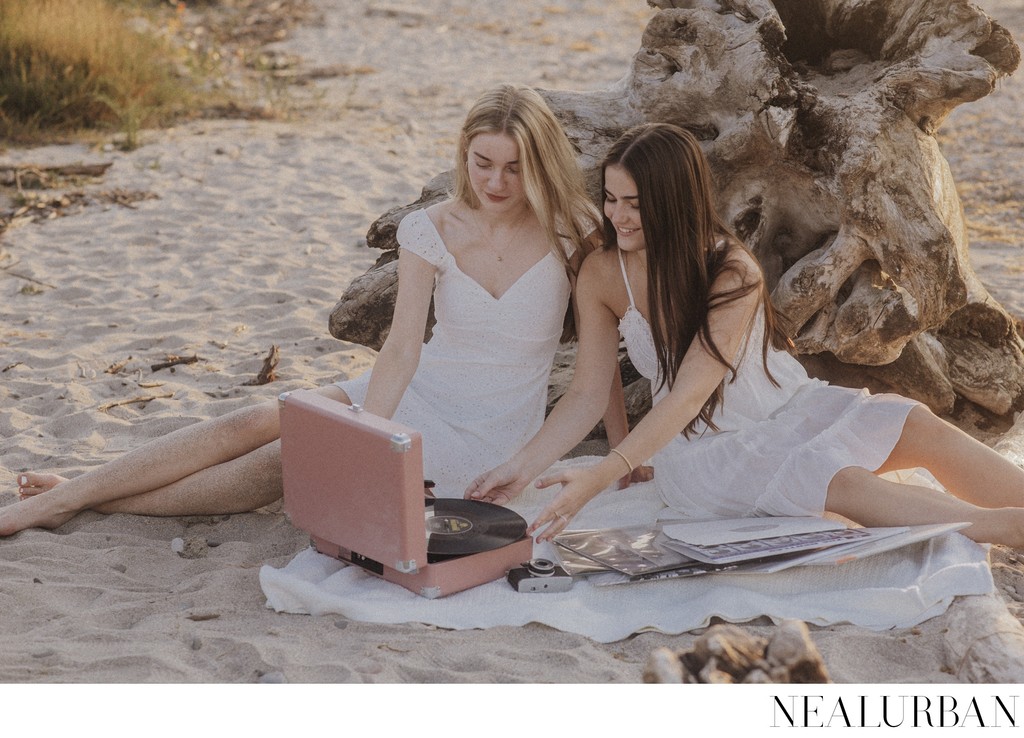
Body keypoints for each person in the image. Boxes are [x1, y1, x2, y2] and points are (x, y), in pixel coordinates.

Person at [2, 83, 622, 536]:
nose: (495, 182)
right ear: (463, 155)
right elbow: (403, 347)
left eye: (515, 168)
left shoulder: (577, 231)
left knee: (282, 459)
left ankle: (85, 500)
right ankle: (68, 496)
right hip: (417, 391)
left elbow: (601, 361)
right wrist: (372, 436)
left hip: (494, 429)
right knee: (254, 419)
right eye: (483, 163)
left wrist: (622, 447)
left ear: (539, 164)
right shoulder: (430, 228)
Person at [467, 122, 1024, 548]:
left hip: (789, 406)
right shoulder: (601, 273)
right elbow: (590, 391)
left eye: (635, 205)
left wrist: (602, 474)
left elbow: (693, 384)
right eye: (612, 200)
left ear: (675, 203)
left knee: (915, 421)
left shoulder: (732, 271)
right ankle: (1001, 529)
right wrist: (521, 468)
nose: (618, 217)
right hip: (710, 448)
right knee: (839, 481)